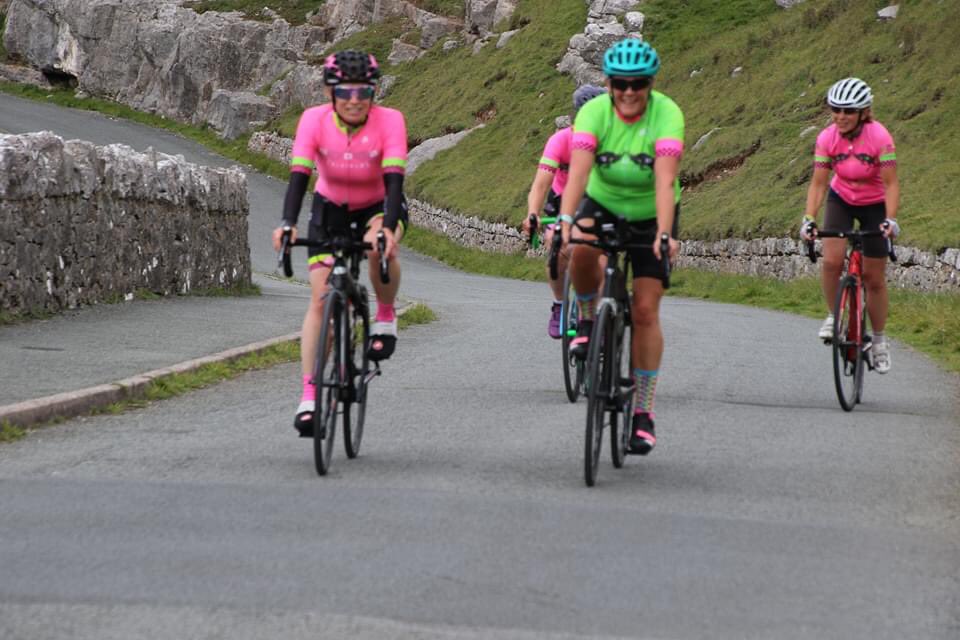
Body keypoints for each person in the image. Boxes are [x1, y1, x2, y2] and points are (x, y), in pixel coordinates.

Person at [271, 50, 409, 434]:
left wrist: (387, 229)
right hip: (329, 208)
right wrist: (287, 223)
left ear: (374, 92)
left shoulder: (390, 120)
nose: (354, 100)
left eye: (364, 91)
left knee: (378, 245)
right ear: (330, 92)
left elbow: (395, 181)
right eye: (345, 91)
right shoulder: (313, 120)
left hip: (379, 205)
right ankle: (310, 396)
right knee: (320, 300)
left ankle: (385, 315)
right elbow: (299, 177)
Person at [559, 38, 683, 455]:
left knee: (645, 310)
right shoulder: (594, 112)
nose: (629, 92)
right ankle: (588, 319)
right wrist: (565, 221)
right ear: (609, 84)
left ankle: (643, 412)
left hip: (652, 212)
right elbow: (578, 175)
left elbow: (665, 180)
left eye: (638, 84)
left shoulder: (667, 114)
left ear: (651, 84)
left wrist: (664, 233)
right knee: (579, 249)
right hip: (604, 201)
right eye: (620, 84)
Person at [800, 77, 899, 373]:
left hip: (874, 202)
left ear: (863, 113)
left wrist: (890, 220)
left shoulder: (880, 137)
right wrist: (809, 219)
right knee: (831, 262)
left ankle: (879, 341)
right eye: (836, 110)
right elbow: (819, 184)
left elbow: (891, 184)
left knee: (873, 278)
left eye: (848, 111)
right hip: (841, 198)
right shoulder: (826, 138)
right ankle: (835, 316)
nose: (840, 116)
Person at [522, 84, 606, 338]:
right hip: (562, 201)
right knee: (558, 247)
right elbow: (541, 184)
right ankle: (560, 303)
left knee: (602, 259)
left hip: (599, 201)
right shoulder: (561, 140)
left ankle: (596, 317)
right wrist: (533, 213)